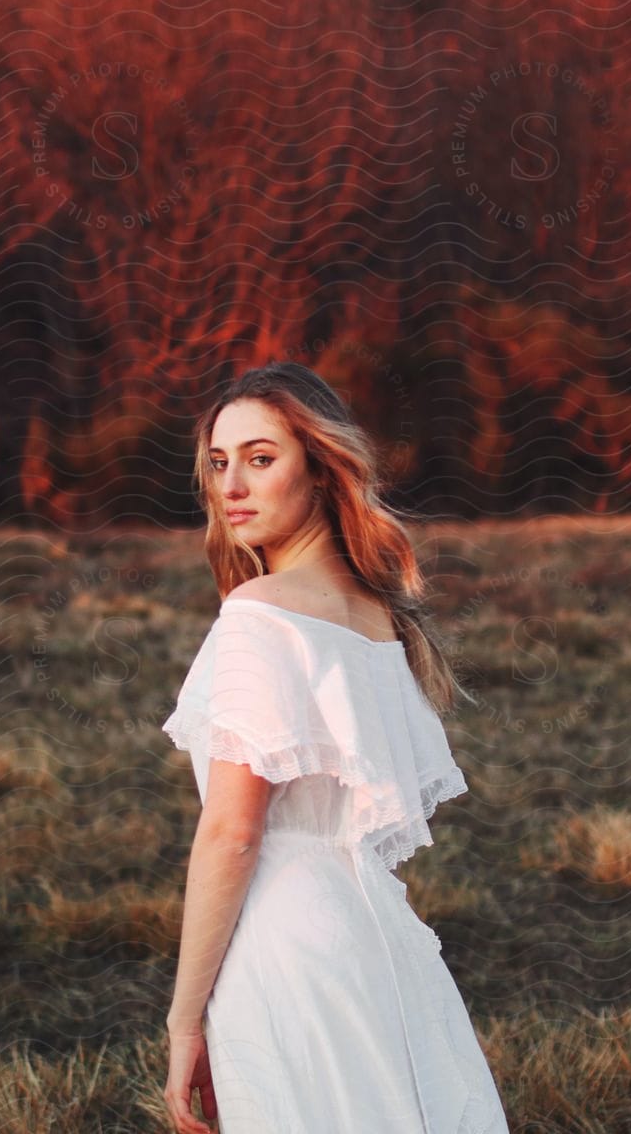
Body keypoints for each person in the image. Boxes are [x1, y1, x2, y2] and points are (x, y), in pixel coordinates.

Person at [160, 361, 509, 1133]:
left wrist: (186, 1021)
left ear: (319, 469)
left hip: (286, 943)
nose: (231, 487)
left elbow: (234, 829)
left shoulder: (261, 613)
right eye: (220, 463)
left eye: (261, 458)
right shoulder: (377, 617)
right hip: (378, 933)